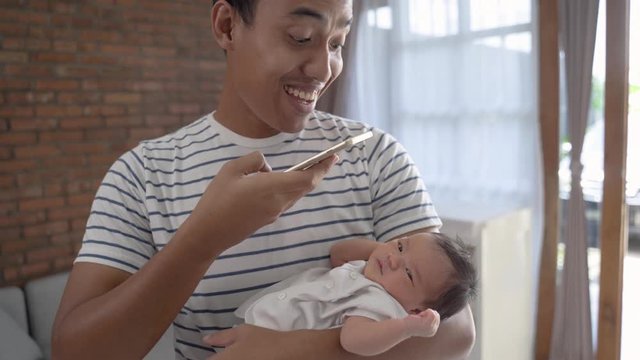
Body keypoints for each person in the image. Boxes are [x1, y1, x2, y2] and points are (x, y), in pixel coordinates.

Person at [52, 0, 476, 359]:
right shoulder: (143, 175)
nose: (323, 68)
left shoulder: (375, 154)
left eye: (337, 43)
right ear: (227, 26)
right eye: (300, 37)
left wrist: (290, 349)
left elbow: (455, 333)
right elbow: (75, 351)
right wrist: (204, 238)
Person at [235, 233, 477, 356]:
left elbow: (353, 341)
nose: (394, 259)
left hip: (273, 343)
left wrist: (406, 328)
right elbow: (339, 252)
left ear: (416, 310)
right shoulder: (367, 270)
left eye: (409, 273)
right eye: (401, 245)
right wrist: (383, 252)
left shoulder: (380, 305)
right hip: (260, 326)